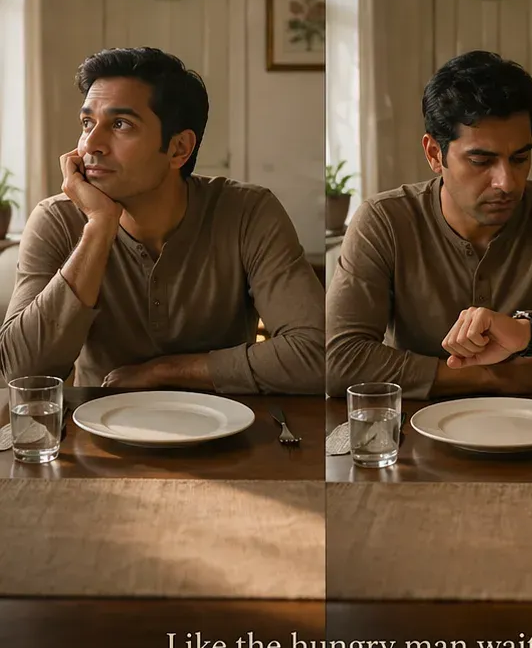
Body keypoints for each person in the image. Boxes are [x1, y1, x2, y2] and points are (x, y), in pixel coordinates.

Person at [326, 51, 532, 397]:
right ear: (435, 155)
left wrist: (529, 333)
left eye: (520, 158)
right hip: (416, 433)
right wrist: (488, 378)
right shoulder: (384, 220)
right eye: (481, 160)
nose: (507, 183)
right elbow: (336, 360)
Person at [0, 47, 323, 393]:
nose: (90, 145)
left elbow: (317, 354)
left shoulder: (247, 212)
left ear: (178, 149)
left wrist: (169, 370)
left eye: (120, 124)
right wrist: (99, 226)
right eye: (87, 123)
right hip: (94, 430)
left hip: (229, 430)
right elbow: (20, 373)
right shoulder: (56, 219)